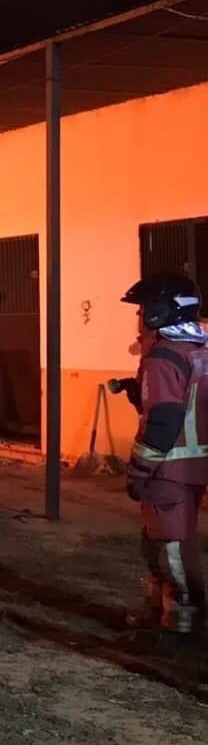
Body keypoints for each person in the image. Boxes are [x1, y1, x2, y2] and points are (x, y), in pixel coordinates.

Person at [116, 272, 208, 637]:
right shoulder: (200, 347)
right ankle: (164, 610)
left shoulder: (162, 356)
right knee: (167, 539)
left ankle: (182, 619)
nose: (140, 318)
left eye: (143, 310)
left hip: (168, 470)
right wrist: (139, 393)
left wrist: (139, 471)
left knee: (168, 544)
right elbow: (188, 404)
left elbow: (164, 421)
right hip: (196, 466)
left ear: (159, 312)